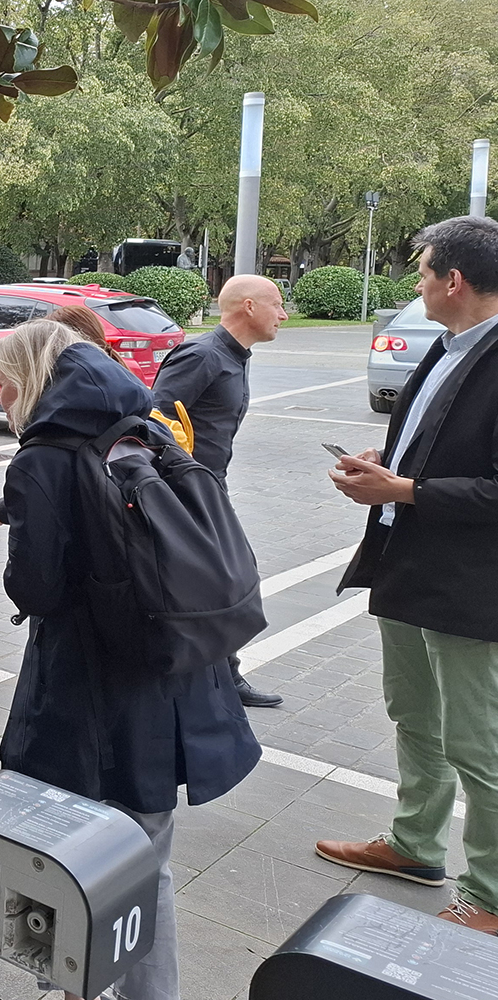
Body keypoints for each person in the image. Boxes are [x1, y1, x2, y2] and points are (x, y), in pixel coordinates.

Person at [0, 319, 259, 1000]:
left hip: (86, 690)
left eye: (4, 378)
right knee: (148, 863)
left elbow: (38, 586)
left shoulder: (42, 455)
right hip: (174, 672)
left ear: (31, 380)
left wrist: (23, 527)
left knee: (61, 852)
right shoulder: (146, 426)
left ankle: (68, 984)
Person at [318, 216, 498, 932]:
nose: (416, 282)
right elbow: (438, 445)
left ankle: (488, 895)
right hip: (411, 566)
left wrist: (404, 492)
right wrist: (390, 470)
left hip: (469, 586)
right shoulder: (450, 346)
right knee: (414, 715)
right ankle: (416, 843)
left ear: (453, 281)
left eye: (423, 272)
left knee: (477, 743)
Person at [148, 274, 287, 710]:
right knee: (224, 580)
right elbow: (154, 422)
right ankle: (217, 677)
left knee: (221, 581)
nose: (283, 314)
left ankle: (222, 675)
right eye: (277, 305)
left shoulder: (236, 355)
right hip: (187, 492)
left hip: (209, 488)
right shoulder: (202, 355)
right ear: (248, 307)